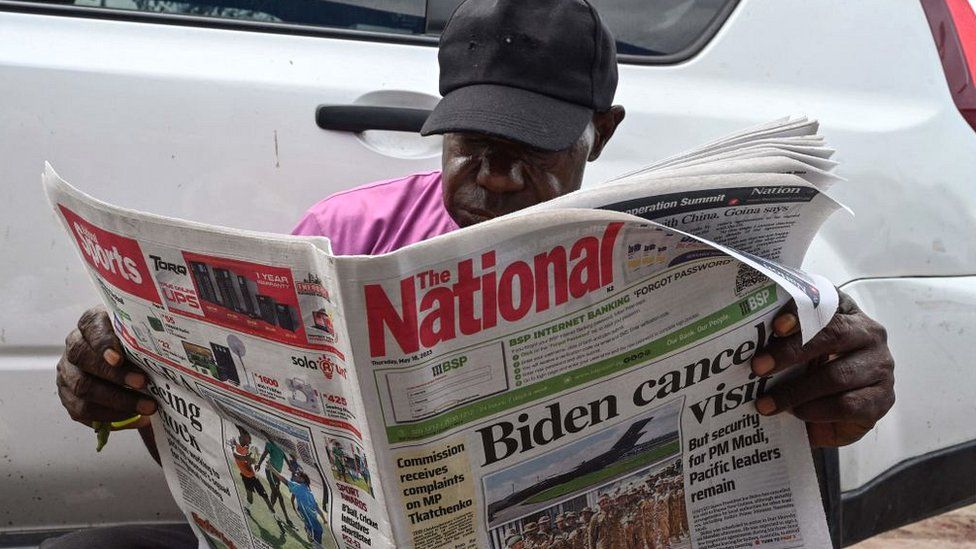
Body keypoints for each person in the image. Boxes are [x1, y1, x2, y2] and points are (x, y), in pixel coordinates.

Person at [48, 0, 895, 547]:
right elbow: (222, 460)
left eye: (529, 148)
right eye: (473, 144)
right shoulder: (343, 238)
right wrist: (126, 390)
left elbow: (805, 390)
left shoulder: (679, 260)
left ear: (602, 130)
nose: (493, 177)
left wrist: (839, 381)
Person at [256, 435, 295, 528]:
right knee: (279, 496)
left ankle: (270, 511)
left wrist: (293, 470)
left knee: (274, 494)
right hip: (270, 471)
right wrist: (259, 464)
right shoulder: (270, 444)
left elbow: (286, 460)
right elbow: (264, 454)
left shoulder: (281, 447)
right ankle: (287, 519)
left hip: (277, 474)